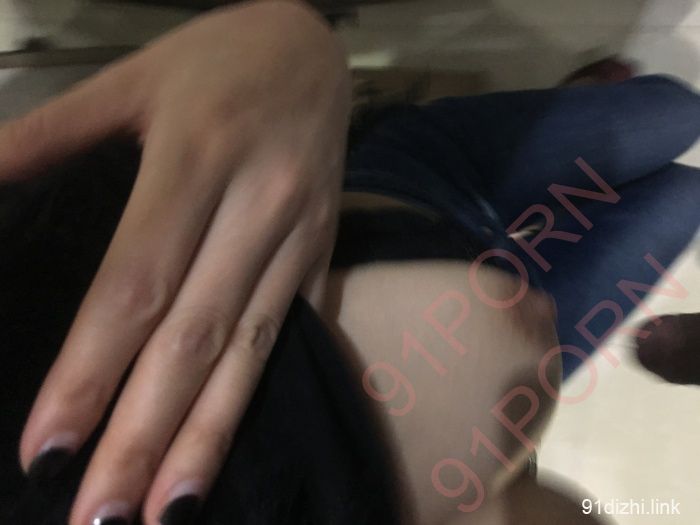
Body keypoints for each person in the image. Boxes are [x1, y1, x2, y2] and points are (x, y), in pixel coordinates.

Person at [2, 68, 699, 524]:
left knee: (677, 111)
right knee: (683, 195)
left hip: (407, 191)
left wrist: (278, 48)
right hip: (531, 344)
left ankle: (561, 116)